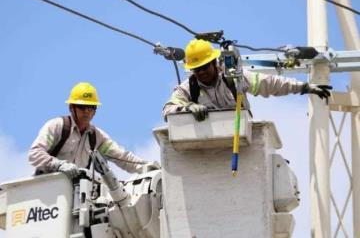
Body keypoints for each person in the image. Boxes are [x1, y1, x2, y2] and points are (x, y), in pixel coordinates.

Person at [163, 39, 332, 121]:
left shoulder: (234, 79)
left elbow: (271, 84)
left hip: (240, 139)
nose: (201, 72)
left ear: (214, 63)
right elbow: (167, 110)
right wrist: (188, 106)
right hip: (208, 145)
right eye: (197, 69)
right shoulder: (188, 88)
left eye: (204, 67)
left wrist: (305, 87)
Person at [29, 82, 159, 178]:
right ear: (71, 108)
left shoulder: (96, 137)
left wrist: (145, 167)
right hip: (47, 189)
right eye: (82, 106)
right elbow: (35, 153)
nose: (86, 111)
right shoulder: (57, 126)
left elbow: (122, 157)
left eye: (91, 107)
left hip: (74, 196)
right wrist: (58, 165)